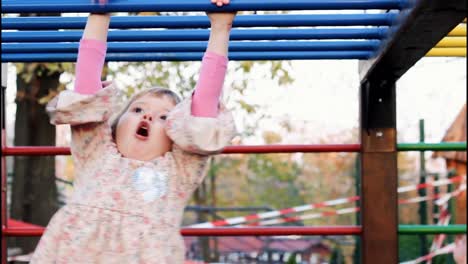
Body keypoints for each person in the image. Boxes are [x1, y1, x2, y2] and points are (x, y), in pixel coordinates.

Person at [30, 0, 237, 263]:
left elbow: (204, 111)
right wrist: (100, 12)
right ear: (115, 126)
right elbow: (87, 88)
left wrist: (220, 28)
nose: (148, 116)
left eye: (164, 117)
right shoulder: (96, 151)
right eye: (138, 110)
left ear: (177, 136)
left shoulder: (178, 170)